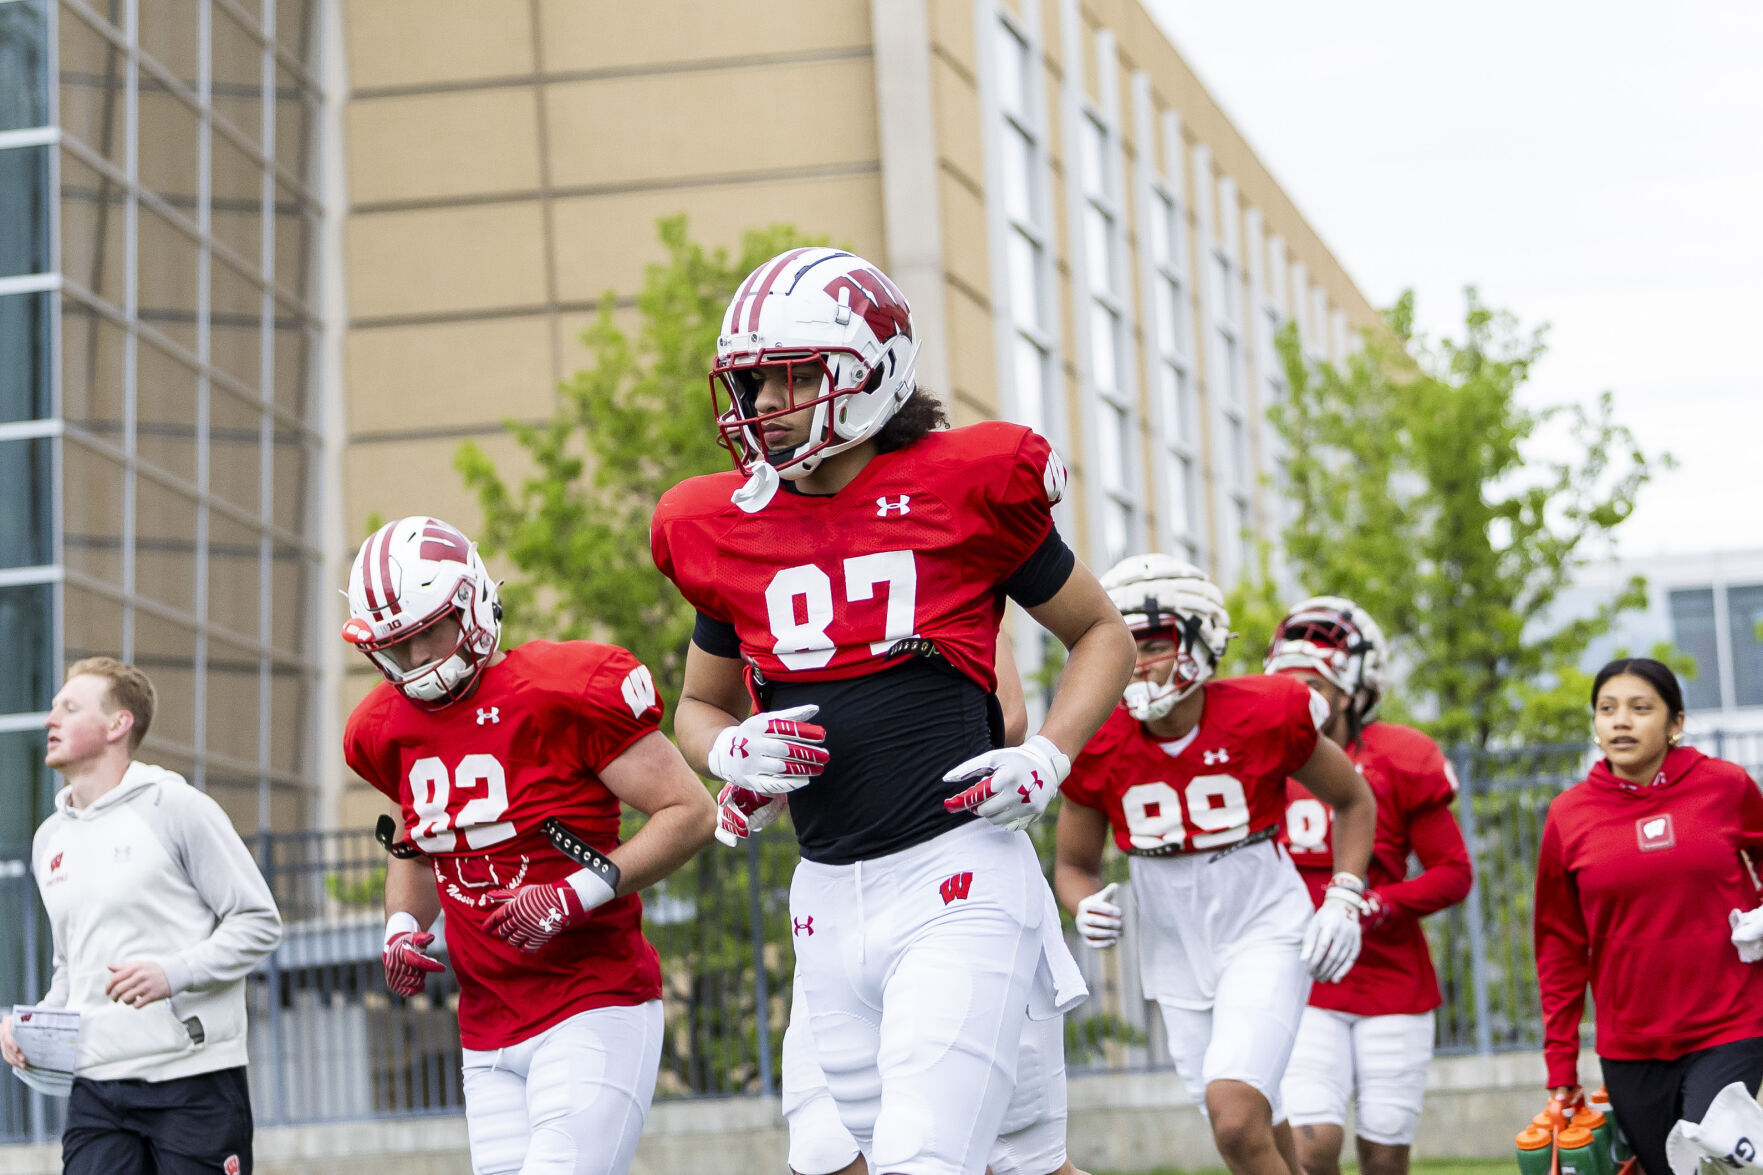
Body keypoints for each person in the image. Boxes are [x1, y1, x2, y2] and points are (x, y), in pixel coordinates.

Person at [652, 246, 1135, 1175]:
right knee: (858, 1159)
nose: (764, 405)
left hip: (955, 872)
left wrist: (1049, 753)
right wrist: (734, 752)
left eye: (793, 377)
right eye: (754, 383)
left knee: (928, 1157)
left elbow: (1100, 632)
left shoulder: (964, 488)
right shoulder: (723, 526)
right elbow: (699, 707)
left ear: (870, 370)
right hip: (826, 894)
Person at [340, 515, 717, 1175]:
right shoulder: (382, 726)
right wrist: (401, 925)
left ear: (470, 604)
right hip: (486, 1024)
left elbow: (689, 811)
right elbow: (420, 841)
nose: (418, 658)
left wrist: (577, 892)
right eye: (398, 645)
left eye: (429, 631)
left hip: (592, 999)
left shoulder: (563, 689)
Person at [717, 636, 1092, 1175]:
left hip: (958, 885)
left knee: (1002, 1160)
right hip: (837, 899)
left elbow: (1007, 720)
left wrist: (882, 760)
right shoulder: (755, 596)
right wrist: (755, 769)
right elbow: (706, 706)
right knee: (824, 1152)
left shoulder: (937, 588)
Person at [1053, 556, 1377, 1175]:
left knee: (1234, 1116)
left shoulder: (1267, 710)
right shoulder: (1096, 737)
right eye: (1126, 645)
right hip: (1174, 949)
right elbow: (1074, 864)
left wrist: (1344, 894)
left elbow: (1353, 799)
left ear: (1200, 641)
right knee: (1253, 1123)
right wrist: (1083, 903)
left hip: (1263, 926)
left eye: (1154, 644)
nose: (1137, 662)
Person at [0, 658, 283, 1175]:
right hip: (95, 1087)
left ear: (118, 724)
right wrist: (32, 1025)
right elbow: (73, 965)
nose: (50, 719)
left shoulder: (177, 807)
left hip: (193, 1080)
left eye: (70, 708)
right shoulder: (50, 839)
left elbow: (258, 921)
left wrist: (172, 973)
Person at [1267, 597, 1474, 1175]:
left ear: (1352, 691)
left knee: (1384, 1158)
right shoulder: (1258, 756)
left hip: (1390, 981)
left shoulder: (1400, 755)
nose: (1299, 697)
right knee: (1312, 1146)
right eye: (1287, 683)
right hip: (1300, 980)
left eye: (1314, 684)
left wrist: (1372, 904)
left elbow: (1453, 872)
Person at [1535, 657, 1763, 1175]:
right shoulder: (1568, 815)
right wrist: (1560, 1062)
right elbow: (1558, 947)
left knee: (1708, 1148)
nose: (1621, 721)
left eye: (1640, 708)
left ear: (1675, 722)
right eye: (1607, 709)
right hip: (1629, 1045)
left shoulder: (1726, 786)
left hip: (1730, 1023)